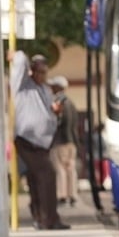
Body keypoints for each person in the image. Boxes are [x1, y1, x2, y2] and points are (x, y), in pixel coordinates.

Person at [9, 51, 69, 230]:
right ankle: (49, 218)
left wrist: (56, 112)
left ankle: (41, 218)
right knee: (47, 175)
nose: (41, 75)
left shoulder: (45, 89)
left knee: (36, 180)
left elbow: (48, 111)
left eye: (44, 72)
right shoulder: (22, 85)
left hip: (42, 142)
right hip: (27, 139)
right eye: (38, 71)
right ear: (31, 71)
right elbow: (20, 61)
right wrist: (17, 54)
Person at [49, 75, 79, 207]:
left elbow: (58, 121)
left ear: (58, 87)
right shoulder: (71, 102)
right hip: (71, 141)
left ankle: (61, 195)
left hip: (60, 141)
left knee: (60, 169)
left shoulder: (58, 101)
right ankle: (72, 195)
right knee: (70, 169)